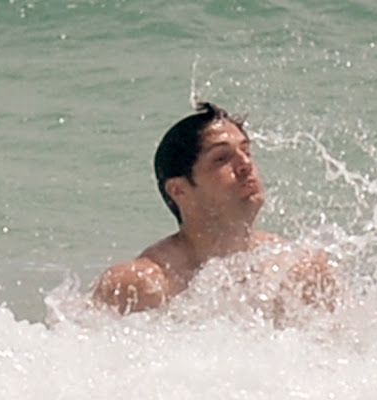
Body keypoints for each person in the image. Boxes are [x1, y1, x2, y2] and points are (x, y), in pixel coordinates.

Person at [91, 102, 339, 315]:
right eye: (221, 158)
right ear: (179, 190)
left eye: (246, 151)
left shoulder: (302, 272)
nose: (245, 164)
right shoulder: (137, 286)